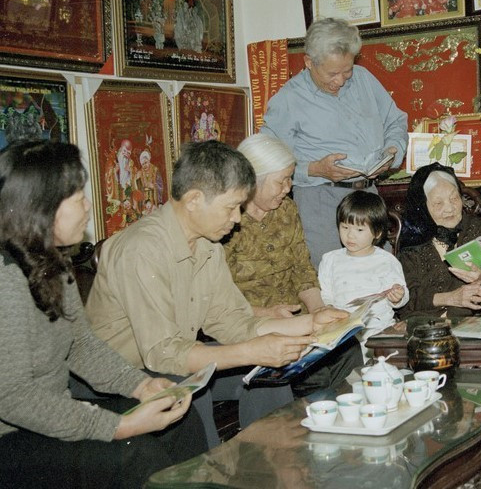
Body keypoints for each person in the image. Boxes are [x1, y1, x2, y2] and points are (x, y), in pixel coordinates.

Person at [85, 140, 348, 448]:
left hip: (172, 361)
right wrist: (252, 351)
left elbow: (232, 322)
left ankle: (272, 461)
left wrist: (311, 323)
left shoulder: (207, 246)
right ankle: (209, 468)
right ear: (194, 200)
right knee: (190, 387)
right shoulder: (142, 249)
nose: (237, 218)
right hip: (118, 378)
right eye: (231, 207)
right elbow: (163, 354)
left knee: (266, 374)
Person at [0, 141, 204, 488]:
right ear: (42, 207)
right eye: (78, 197)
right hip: (11, 438)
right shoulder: (6, 280)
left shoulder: (52, 263)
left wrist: (140, 385)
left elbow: (80, 346)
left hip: (49, 414)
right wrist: (119, 426)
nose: (88, 207)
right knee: (133, 454)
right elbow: (13, 397)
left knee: (178, 417)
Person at [261, 17, 409, 268]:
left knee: (378, 275)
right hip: (320, 203)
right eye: (332, 73)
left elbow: (396, 121)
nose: (340, 80)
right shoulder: (288, 99)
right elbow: (268, 160)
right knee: (332, 276)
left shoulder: (363, 79)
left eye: (346, 70)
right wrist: (315, 169)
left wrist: (393, 150)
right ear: (309, 62)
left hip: (368, 197)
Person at [225, 133, 363, 396]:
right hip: (251, 328)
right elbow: (216, 302)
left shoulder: (286, 210)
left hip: (298, 323)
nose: (288, 188)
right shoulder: (227, 220)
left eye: (290, 178)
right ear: (253, 180)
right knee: (312, 375)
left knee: (346, 350)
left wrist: (319, 310)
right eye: (281, 181)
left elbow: (302, 268)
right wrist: (265, 314)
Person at [397, 163, 481, 320]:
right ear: (422, 206)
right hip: (426, 325)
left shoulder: (474, 228)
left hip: (476, 322)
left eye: (454, 198)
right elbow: (405, 299)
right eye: (438, 203)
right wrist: (451, 298)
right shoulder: (413, 239)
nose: (449, 208)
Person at [319, 190, 408, 350]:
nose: (350, 236)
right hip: (343, 333)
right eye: (345, 227)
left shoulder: (386, 261)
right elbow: (326, 294)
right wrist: (329, 307)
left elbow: (400, 295)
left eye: (359, 230)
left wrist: (397, 297)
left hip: (379, 330)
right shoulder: (330, 260)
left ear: (377, 232)